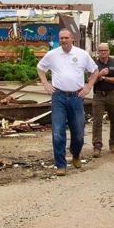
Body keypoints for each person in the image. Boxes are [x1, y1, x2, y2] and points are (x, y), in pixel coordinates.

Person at [37, 29, 99, 176]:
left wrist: (88, 86)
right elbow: (40, 68)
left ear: (72, 39)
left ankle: (76, 154)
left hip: (77, 97)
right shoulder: (52, 54)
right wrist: (45, 83)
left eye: (66, 38)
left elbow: (95, 70)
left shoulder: (81, 54)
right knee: (57, 132)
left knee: (78, 133)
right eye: (61, 38)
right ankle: (61, 164)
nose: (63, 40)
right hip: (58, 97)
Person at [91, 42, 114, 158]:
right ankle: (97, 146)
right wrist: (99, 74)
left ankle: (113, 143)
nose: (103, 52)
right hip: (99, 95)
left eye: (105, 50)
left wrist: (104, 78)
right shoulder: (94, 64)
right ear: (98, 52)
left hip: (112, 95)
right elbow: (91, 81)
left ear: (109, 51)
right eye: (101, 51)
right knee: (97, 121)